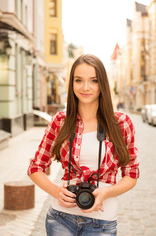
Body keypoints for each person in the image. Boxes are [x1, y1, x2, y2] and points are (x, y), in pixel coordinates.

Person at [27, 54, 139, 236]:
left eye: (93, 81)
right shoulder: (60, 121)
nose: (86, 87)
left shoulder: (121, 123)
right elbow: (35, 168)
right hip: (60, 219)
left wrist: (105, 193)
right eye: (79, 80)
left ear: (102, 84)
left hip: (102, 223)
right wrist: (57, 192)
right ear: (71, 84)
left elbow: (131, 175)